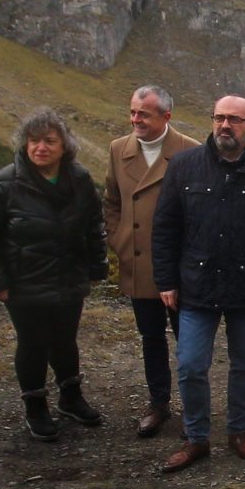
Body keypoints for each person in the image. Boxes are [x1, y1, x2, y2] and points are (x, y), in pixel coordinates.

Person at [151, 94, 245, 471]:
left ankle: (238, 431)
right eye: (219, 117)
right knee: (190, 365)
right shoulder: (184, 166)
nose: (224, 126)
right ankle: (196, 438)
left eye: (234, 119)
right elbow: (165, 228)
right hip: (196, 286)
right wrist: (165, 280)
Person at [0, 108, 108, 443]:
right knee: (32, 344)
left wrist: (95, 267)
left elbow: (93, 227)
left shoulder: (79, 179)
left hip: (68, 278)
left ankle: (71, 398)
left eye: (49, 140)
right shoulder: (4, 183)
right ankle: (35, 406)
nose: (40, 147)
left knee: (65, 340)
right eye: (34, 141)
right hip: (23, 283)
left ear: (64, 146)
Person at [104, 84, 202, 439]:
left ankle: (195, 407)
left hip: (179, 268)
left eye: (143, 114)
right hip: (139, 263)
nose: (135, 120)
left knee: (187, 338)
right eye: (132, 112)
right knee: (150, 336)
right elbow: (111, 201)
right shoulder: (118, 150)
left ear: (166, 116)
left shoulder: (191, 151)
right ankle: (158, 403)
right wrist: (119, 239)